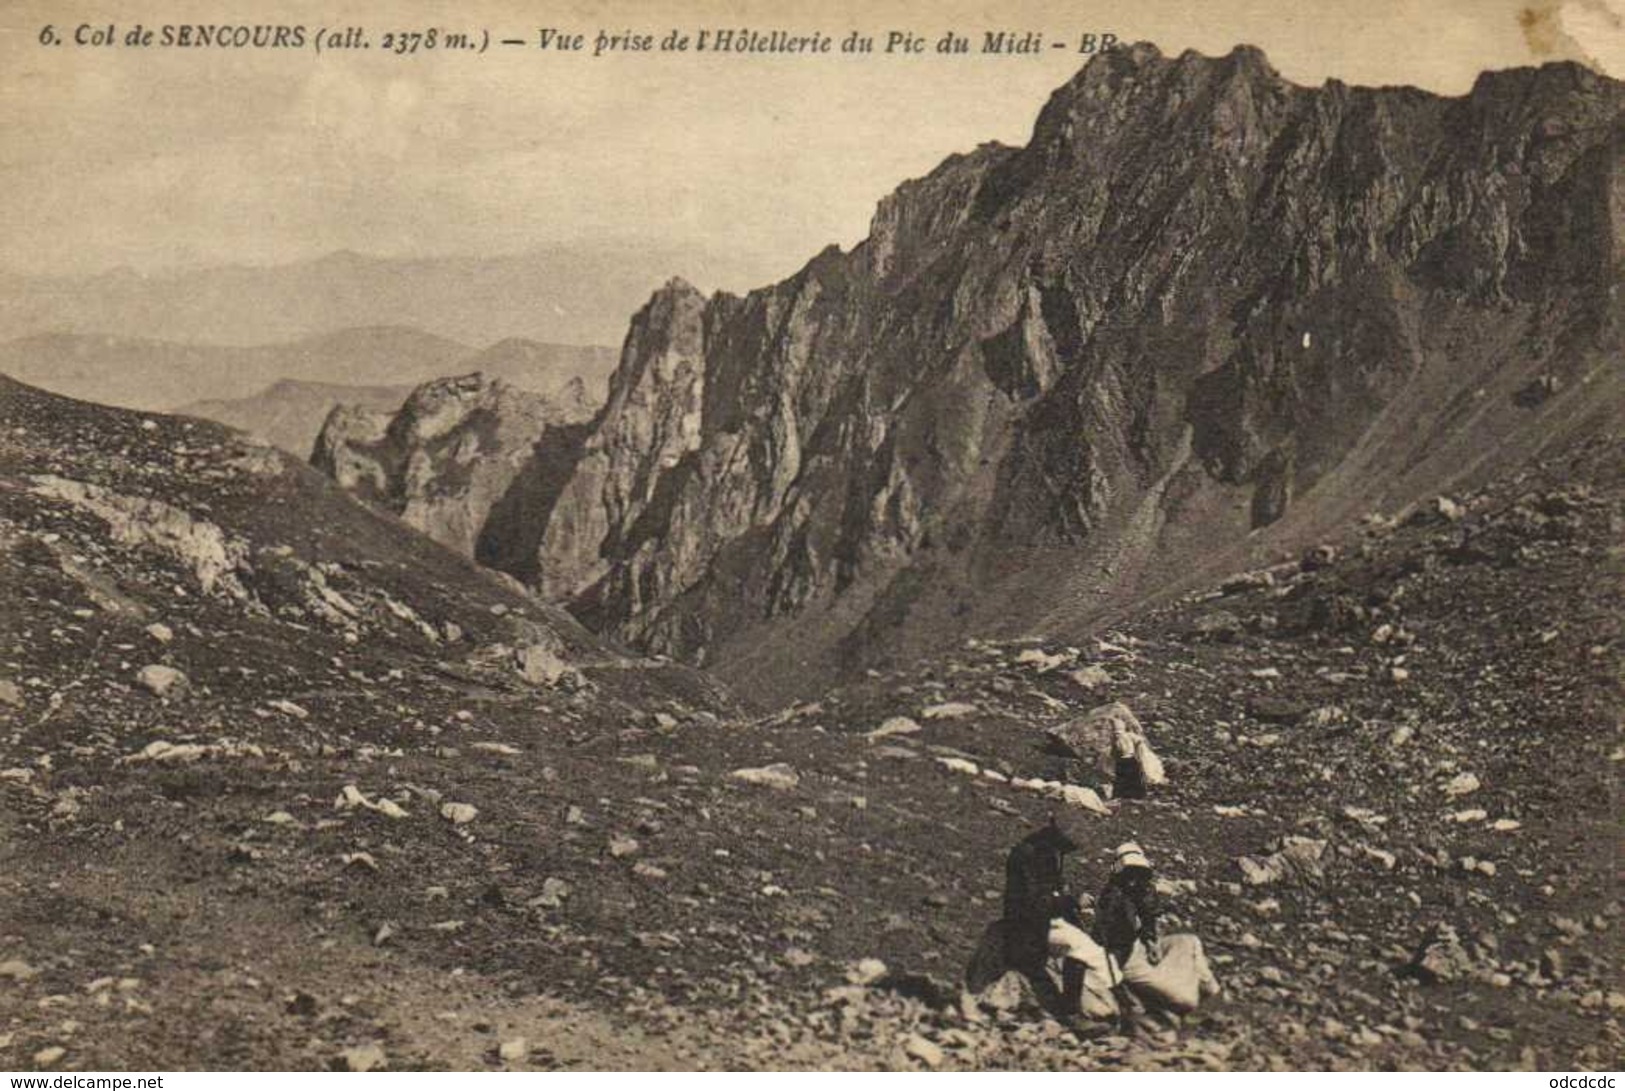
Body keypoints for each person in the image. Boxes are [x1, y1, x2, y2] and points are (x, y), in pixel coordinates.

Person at [1090, 842, 1220, 1019]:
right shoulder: (1113, 897)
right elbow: (1115, 941)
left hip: (1140, 948)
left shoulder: (1140, 891)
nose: (1134, 879)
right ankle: (1188, 992)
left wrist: (1150, 941)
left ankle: (1212, 991)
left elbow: (1148, 918)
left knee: (1189, 941)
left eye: (1139, 873)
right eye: (1130, 872)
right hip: (1125, 959)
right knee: (1186, 1000)